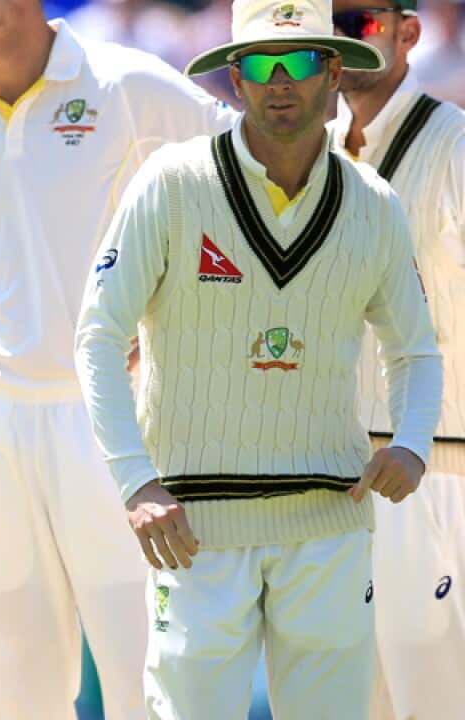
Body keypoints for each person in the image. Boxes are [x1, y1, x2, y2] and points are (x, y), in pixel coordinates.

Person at [75, 0, 444, 715]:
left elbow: (415, 350)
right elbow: (97, 335)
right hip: (194, 527)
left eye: (299, 61)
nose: (280, 80)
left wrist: (411, 442)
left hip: (330, 519)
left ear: (332, 72)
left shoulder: (373, 203)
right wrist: (136, 481)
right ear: (236, 78)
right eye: (260, 63)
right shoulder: (173, 182)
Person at [0, 0, 236, 715]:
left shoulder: (124, 82)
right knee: (16, 692)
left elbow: (252, 175)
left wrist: (180, 310)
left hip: (119, 420)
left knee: (151, 684)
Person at [328, 1, 465, 717]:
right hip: (333, 481)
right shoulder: (307, 152)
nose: (341, 38)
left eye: (360, 21)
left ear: (409, 32)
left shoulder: (453, 145)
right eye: (328, 21)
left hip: (438, 470)